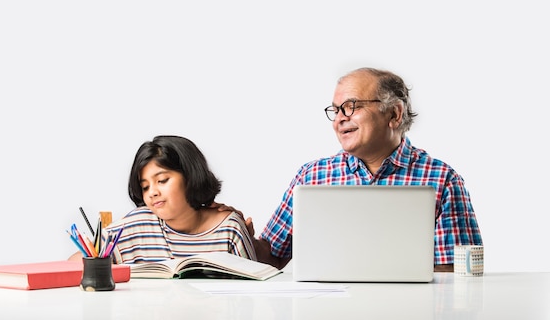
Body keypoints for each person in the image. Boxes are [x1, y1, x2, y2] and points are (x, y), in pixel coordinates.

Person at [252, 67, 482, 272]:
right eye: (336, 110)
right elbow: (271, 257)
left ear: (394, 114)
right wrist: (235, 229)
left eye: (351, 106)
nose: (339, 119)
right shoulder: (311, 176)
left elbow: (455, 275)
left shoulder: (442, 179)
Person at [69, 135, 257, 264]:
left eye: (162, 180)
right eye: (145, 187)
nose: (152, 192)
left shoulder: (229, 229)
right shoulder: (136, 226)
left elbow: (253, 292)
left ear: (190, 176)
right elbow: (74, 264)